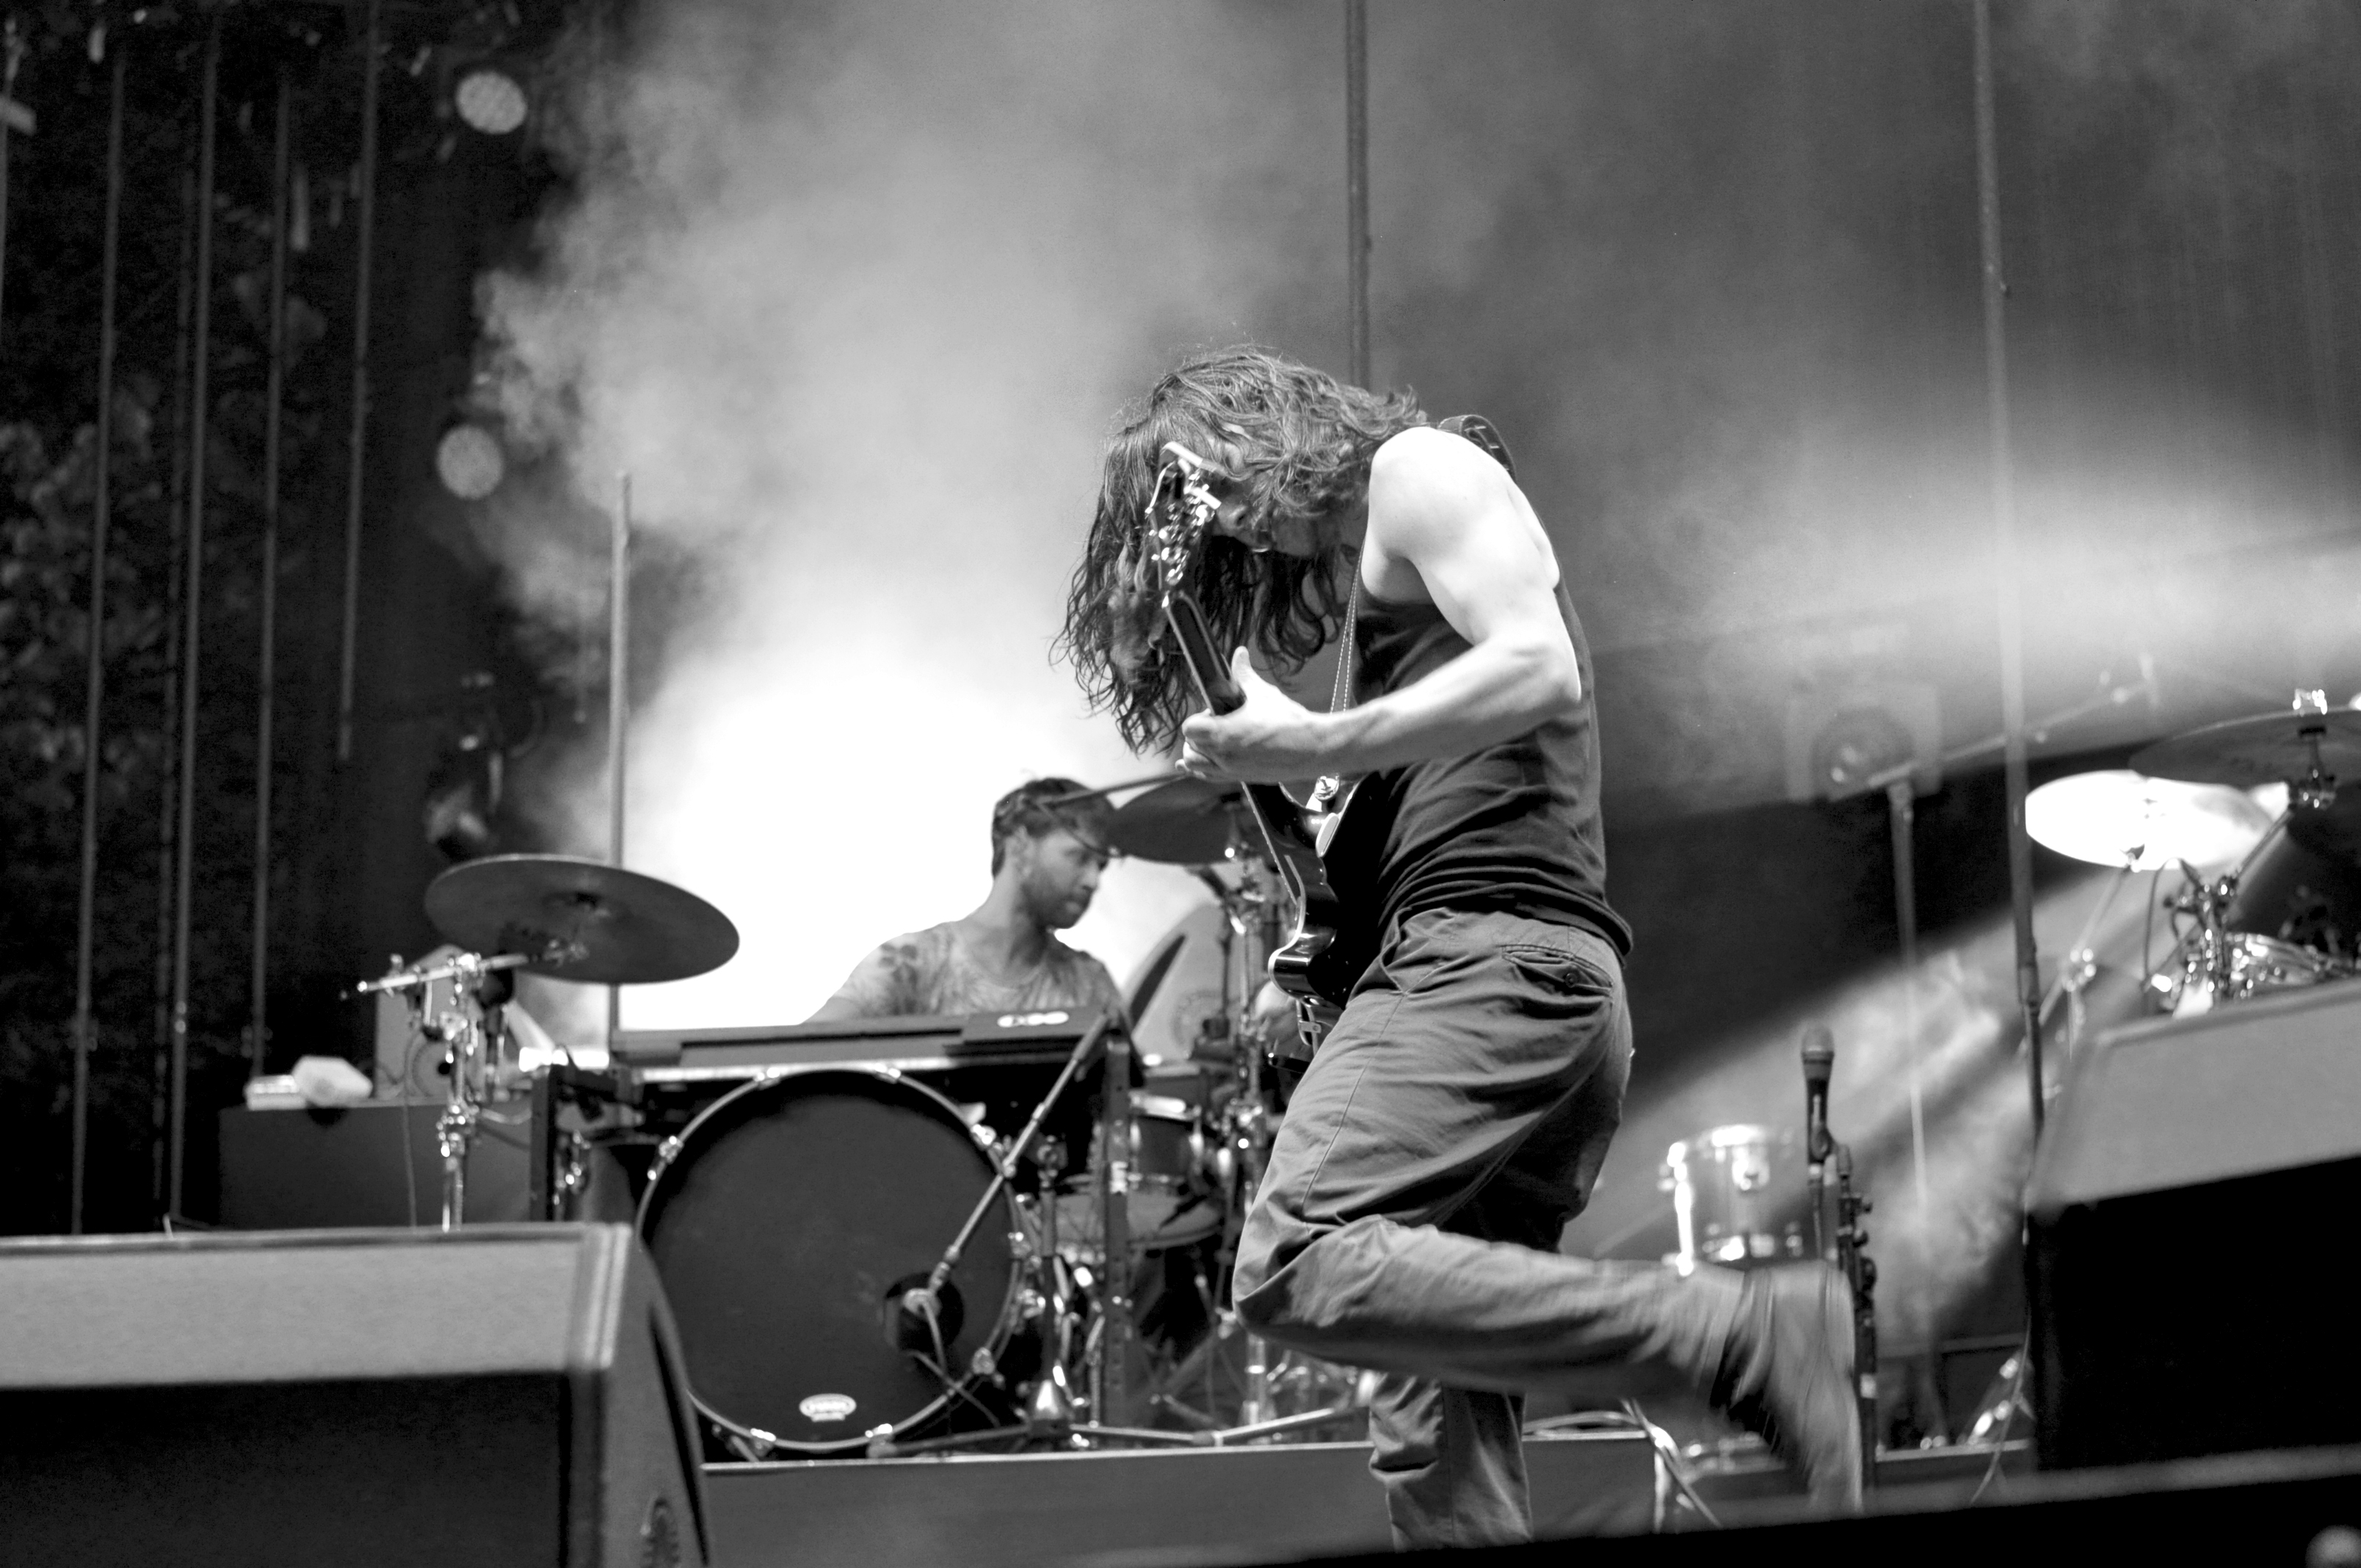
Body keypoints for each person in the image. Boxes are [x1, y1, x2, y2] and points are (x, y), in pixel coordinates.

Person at [1059, 346, 1859, 1548]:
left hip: (1489, 967)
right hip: (1510, 984)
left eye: (1215, 487)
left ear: (1259, 427)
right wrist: (1316, 923)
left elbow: (1537, 668)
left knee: (1293, 1256)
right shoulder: (1381, 614)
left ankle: (1738, 1336)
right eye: (1205, 519)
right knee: (1435, 1420)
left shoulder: (1421, 469)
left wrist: (1310, 746)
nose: (1231, 525)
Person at [806, 777, 1125, 1022]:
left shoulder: (1090, 984)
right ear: (1019, 844)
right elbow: (805, 1048)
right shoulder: (916, 961)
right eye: (1079, 857)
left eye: (1101, 866)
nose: (1093, 881)